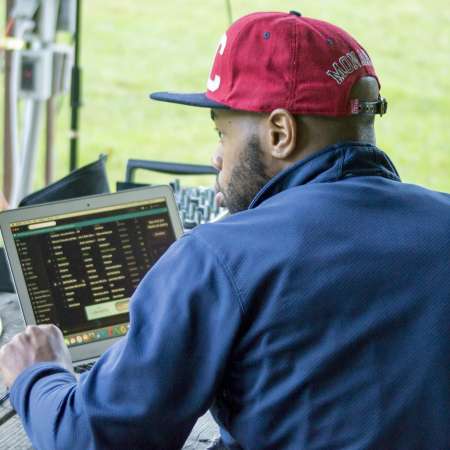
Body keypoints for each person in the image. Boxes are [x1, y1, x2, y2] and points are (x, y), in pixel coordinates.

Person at [0, 11, 449, 450]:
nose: (217, 157)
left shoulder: (217, 258)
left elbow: (93, 438)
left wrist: (37, 372)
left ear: (280, 133)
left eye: (222, 133)